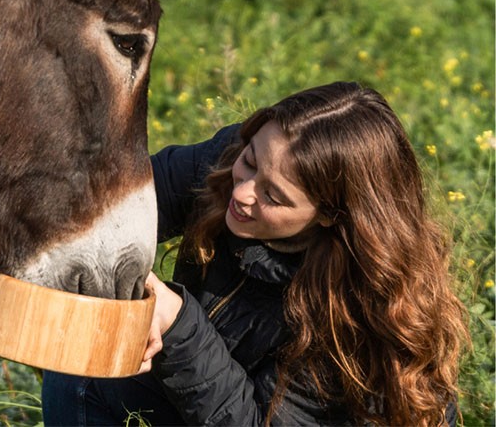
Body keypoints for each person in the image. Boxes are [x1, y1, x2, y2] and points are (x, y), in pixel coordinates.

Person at [42, 81, 469, 426]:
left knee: (82, 376)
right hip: (217, 403)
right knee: (83, 356)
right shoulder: (233, 165)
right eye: (250, 161)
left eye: (275, 197)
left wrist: (177, 324)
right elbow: (125, 204)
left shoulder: (354, 312)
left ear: (329, 216)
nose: (242, 193)